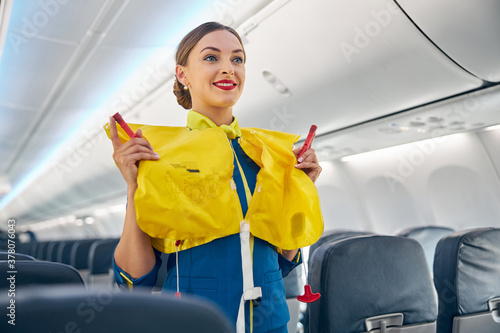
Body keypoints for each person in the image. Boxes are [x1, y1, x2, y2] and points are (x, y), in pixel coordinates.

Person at [106, 22, 323, 333]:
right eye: (211, 58)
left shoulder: (266, 154)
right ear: (183, 74)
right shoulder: (161, 156)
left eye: (237, 59)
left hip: (270, 323)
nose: (228, 69)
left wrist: (299, 190)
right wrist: (133, 187)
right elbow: (134, 279)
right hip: (194, 322)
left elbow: (281, 262)